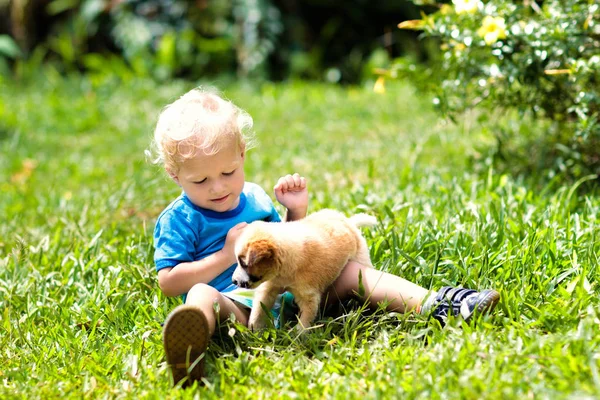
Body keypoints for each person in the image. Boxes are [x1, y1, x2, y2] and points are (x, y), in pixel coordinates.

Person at [150, 87, 500, 387]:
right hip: (238, 304)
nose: (218, 187)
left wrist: (295, 211)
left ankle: (441, 304)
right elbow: (168, 282)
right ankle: (191, 350)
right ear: (174, 175)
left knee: (351, 273)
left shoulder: (254, 198)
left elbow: (285, 247)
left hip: (295, 289)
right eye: (200, 181)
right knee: (200, 293)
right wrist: (226, 256)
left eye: (228, 171)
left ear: (242, 154)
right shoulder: (180, 220)